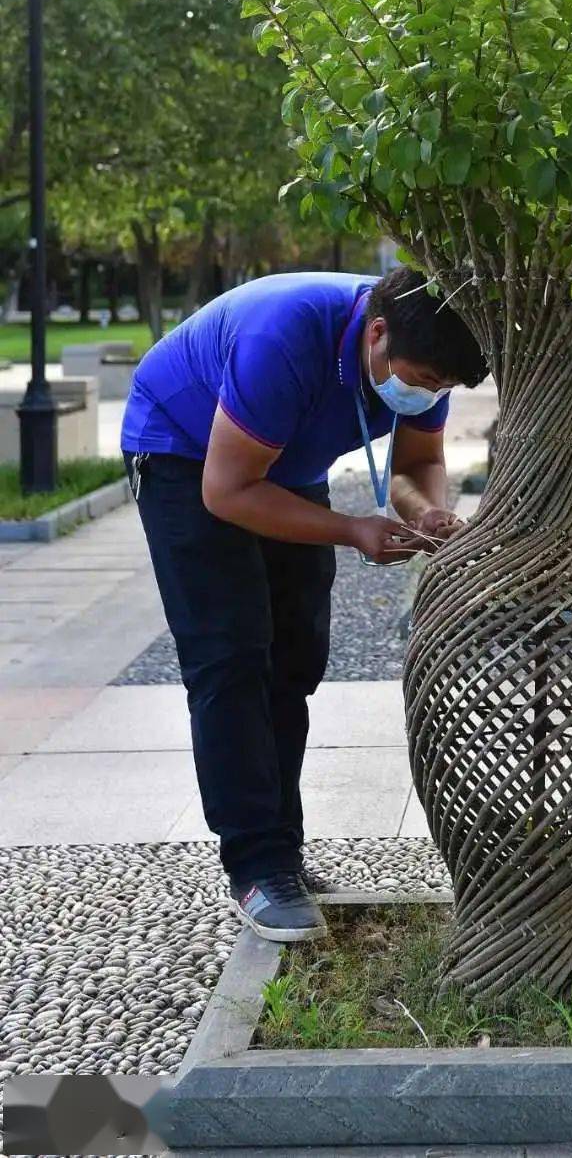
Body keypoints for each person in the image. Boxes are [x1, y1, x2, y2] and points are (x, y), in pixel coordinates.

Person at [121, 266, 487, 942]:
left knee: (295, 656)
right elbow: (227, 491)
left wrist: (429, 512)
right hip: (185, 452)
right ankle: (256, 865)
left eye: (443, 389)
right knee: (230, 655)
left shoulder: (428, 345)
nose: (428, 395)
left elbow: (415, 467)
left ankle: (281, 853)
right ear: (376, 334)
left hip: (279, 461)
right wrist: (351, 529)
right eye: (424, 381)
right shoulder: (283, 338)